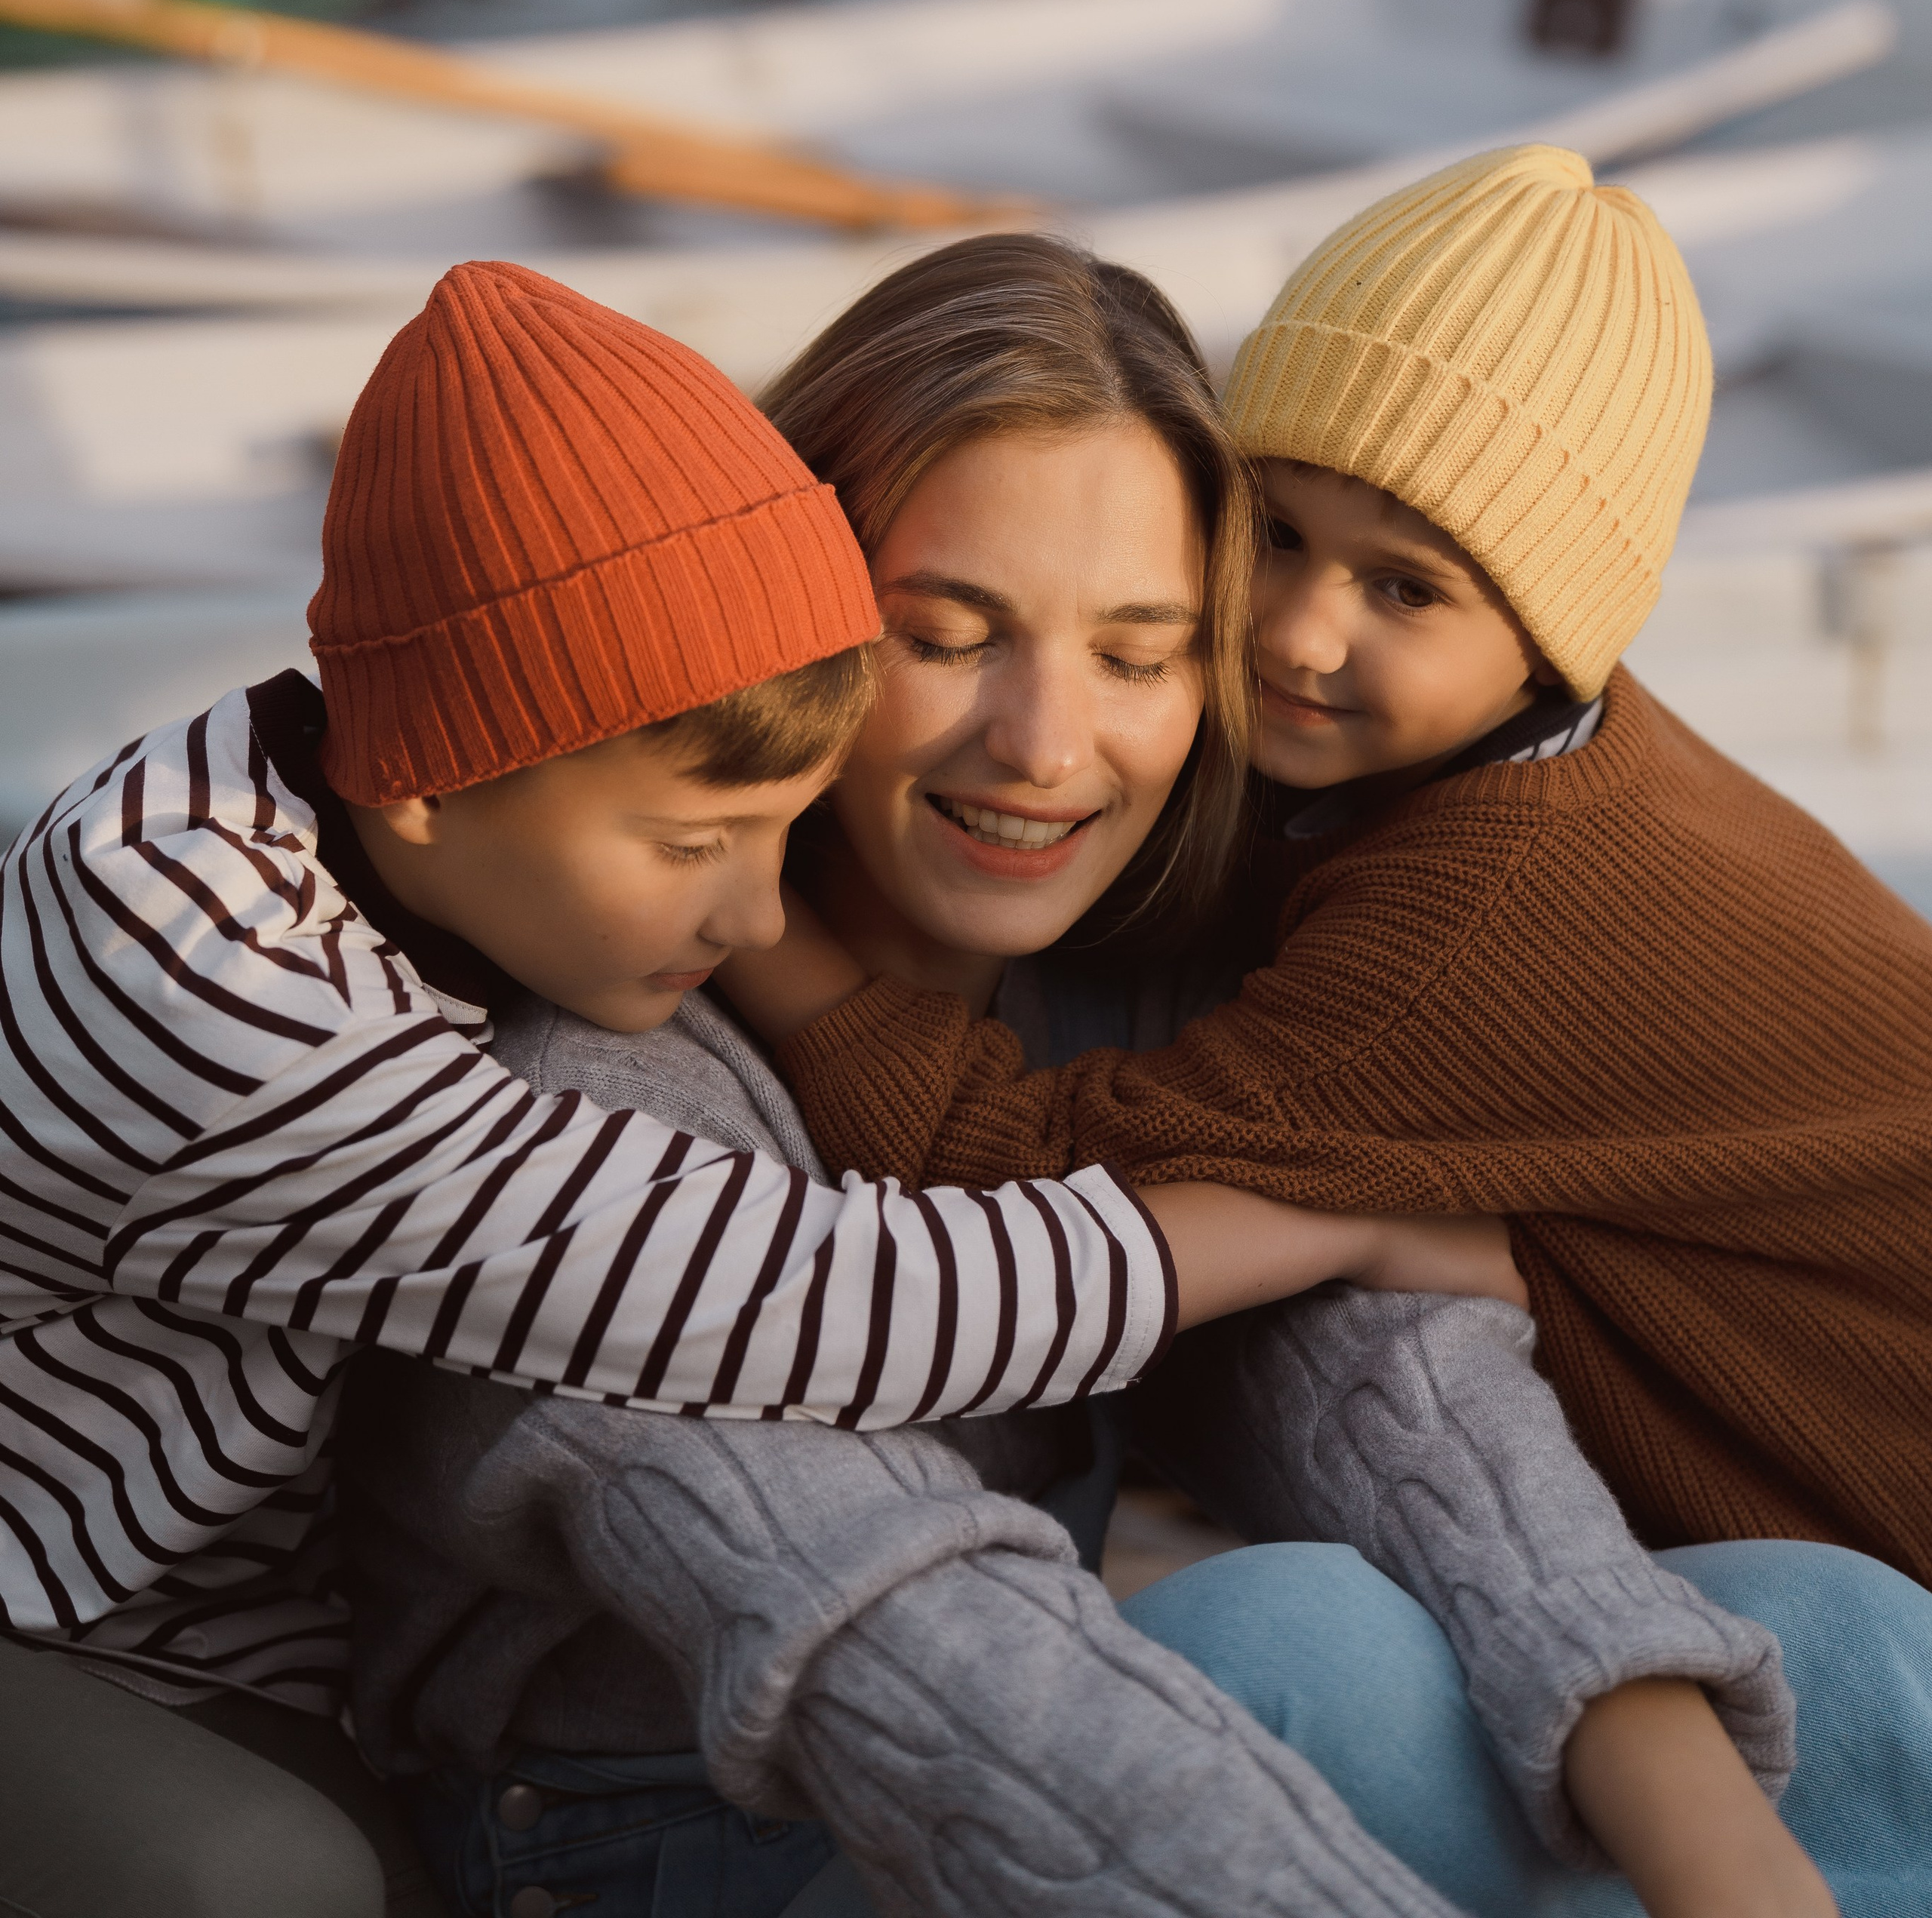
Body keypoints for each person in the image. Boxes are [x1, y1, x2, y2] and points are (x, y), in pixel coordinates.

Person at [351, 233, 1846, 1918]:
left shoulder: (1142, 984)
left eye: (1138, 655)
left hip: (1051, 1751)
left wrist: (1712, 1846)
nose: (1047, 749)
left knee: (1828, 1637)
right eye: (945, 633)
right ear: (788, 620)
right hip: (663, 1846)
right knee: (1270, 1654)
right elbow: (904, 1634)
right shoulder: (587, 1093)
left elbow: (1375, 1382)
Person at [0, 258, 1446, 1918]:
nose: (759, 921)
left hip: (233, 1612)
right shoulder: (230, 1006)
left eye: (1142, 651)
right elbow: (809, 1295)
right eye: (945, 633)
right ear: (416, 786)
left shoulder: (417, 818)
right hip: (70, 1619)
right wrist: (1314, 1220)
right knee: (268, 1884)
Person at [725, 166, 1932, 1903]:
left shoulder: (1484, 909)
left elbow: (1014, 1181)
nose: (1295, 633)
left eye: (1404, 590)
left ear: (1547, 634)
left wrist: (754, 918)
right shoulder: (1517, 763)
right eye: (1274, 533)